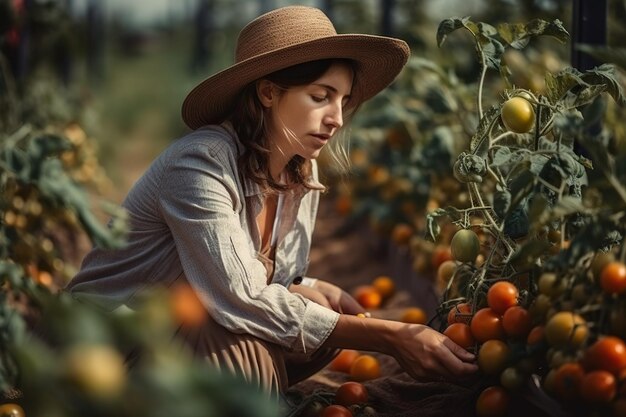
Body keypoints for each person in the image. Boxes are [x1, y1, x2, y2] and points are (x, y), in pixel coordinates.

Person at [66, 5, 477, 401]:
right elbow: (239, 297)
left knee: (317, 317)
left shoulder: (300, 175)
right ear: (267, 92)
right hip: (102, 348)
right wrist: (390, 336)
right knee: (245, 347)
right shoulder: (200, 164)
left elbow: (267, 284)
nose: (336, 117)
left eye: (343, 100)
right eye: (321, 96)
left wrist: (311, 286)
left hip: (175, 333)